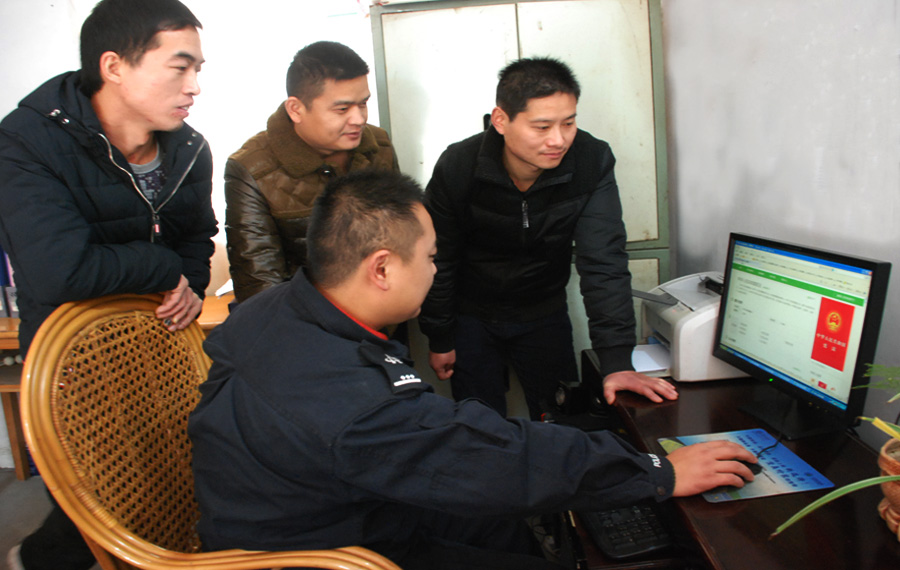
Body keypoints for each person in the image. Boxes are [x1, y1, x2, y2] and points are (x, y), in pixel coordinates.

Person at [188, 169, 758, 570]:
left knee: (501, 521)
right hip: (323, 554)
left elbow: (447, 441)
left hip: (312, 508)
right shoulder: (351, 400)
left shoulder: (277, 308)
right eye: (430, 257)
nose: (436, 271)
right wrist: (657, 471)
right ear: (381, 268)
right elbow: (480, 455)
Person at [0, 1, 217, 569]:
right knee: (95, 505)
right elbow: (59, 270)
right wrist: (164, 270)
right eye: (180, 67)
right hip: (72, 362)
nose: (194, 86)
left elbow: (198, 235)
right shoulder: (26, 142)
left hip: (162, 346)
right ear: (114, 65)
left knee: (174, 488)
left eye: (198, 69)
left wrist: (191, 286)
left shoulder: (189, 148)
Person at [419, 57, 671, 420]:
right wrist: (440, 336)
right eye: (542, 127)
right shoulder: (459, 165)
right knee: (480, 427)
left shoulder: (591, 160)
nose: (559, 140)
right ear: (501, 120)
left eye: (568, 123)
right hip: (471, 316)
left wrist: (616, 361)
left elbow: (603, 261)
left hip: (544, 312)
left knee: (563, 422)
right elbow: (439, 257)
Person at [224, 40, 399, 303]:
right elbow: (260, 284)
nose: (359, 119)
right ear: (296, 110)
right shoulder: (252, 169)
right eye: (342, 109)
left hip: (384, 311)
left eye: (363, 104)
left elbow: (401, 238)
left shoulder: (378, 145)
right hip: (304, 318)